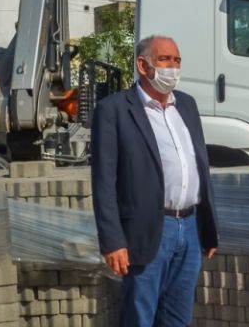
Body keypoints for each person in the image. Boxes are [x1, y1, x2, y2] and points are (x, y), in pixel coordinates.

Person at [91, 35, 219, 327]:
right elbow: (103, 182)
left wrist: (209, 227)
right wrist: (113, 241)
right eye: (164, 60)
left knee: (177, 317)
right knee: (140, 315)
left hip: (189, 228)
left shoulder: (186, 105)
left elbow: (199, 165)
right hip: (147, 231)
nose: (172, 67)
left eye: (176, 60)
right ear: (142, 65)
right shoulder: (114, 110)